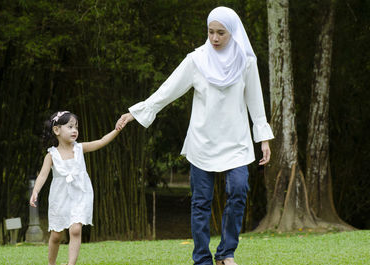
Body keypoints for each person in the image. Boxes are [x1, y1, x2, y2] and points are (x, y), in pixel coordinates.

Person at [116, 6, 274, 265]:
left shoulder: (246, 61)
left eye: (221, 33)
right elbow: (168, 90)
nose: (214, 38)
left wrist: (263, 139)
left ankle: (226, 253)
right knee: (201, 202)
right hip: (203, 141)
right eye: (210, 32)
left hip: (236, 141)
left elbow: (255, 101)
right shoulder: (196, 59)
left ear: (232, 32)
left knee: (239, 189)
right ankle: (202, 258)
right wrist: (136, 112)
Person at [29, 111, 121, 265]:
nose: (75, 130)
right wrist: (35, 191)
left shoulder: (80, 148)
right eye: (70, 126)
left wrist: (117, 129)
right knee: (56, 236)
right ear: (57, 130)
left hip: (80, 194)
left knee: (75, 230)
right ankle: (51, 263)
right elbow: (43, 176)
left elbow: (101, 141)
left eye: (76, 127)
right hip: (59, 197)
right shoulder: (51, 155)